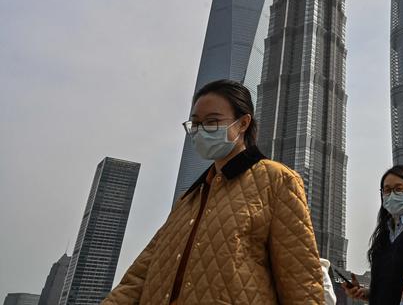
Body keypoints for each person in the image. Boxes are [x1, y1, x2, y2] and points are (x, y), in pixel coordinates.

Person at [102, 79, 324, 304]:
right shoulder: (189, 198)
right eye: (195, 124)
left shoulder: (277, 181)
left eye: (212, 122)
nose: (201, 131)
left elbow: (301, 283)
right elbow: (140, 276)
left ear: (243, 123)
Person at [343, 165, 403, 304]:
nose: (392, 195)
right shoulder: (383, 235)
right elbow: (388, 285)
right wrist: (366, 293)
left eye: (399, 189)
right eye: (387, 190)